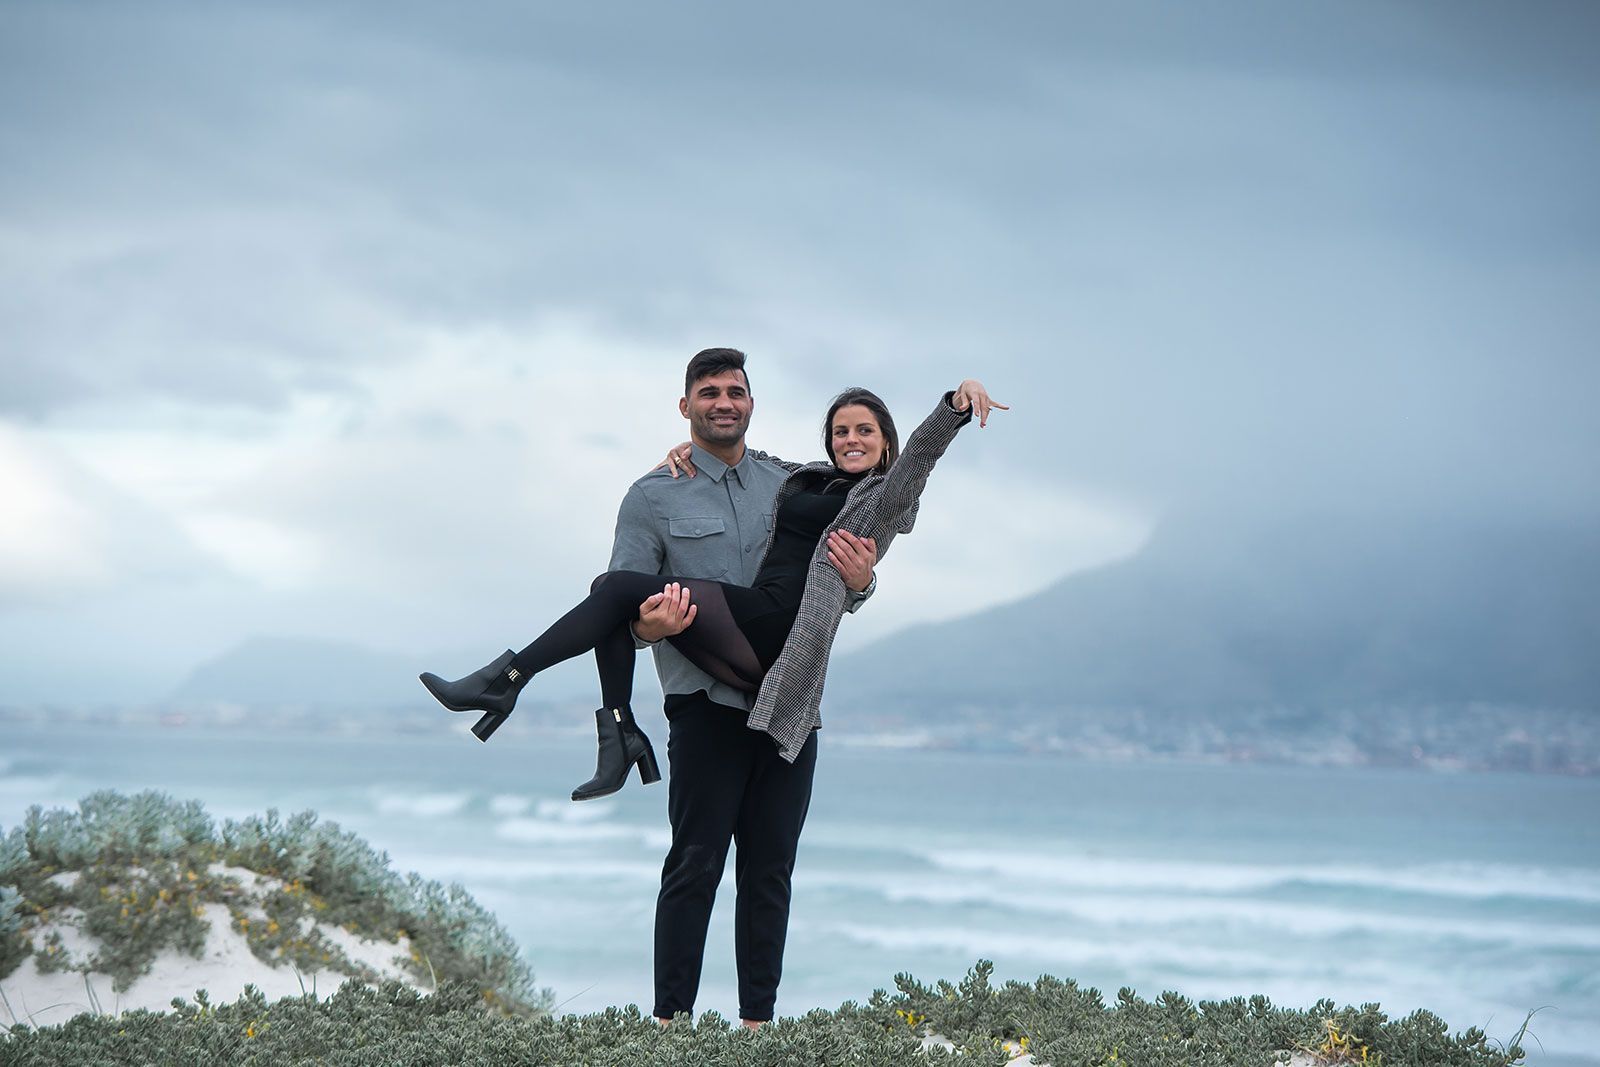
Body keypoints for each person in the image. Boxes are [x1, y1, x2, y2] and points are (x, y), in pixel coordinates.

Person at [418, 348, 1006, 1024]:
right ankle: (670, 1024)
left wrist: (954, 407)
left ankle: (549, 700)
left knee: (768, 877)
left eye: (865, 431)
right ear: (688, 405)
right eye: (709, 393)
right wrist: (651, 612)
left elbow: (910, 476)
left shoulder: (850, 492)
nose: (850, 440)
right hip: (708, 699)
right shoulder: (742, 483)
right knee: (691, 862)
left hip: (782, 682)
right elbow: (632, 613)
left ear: (752, 403)